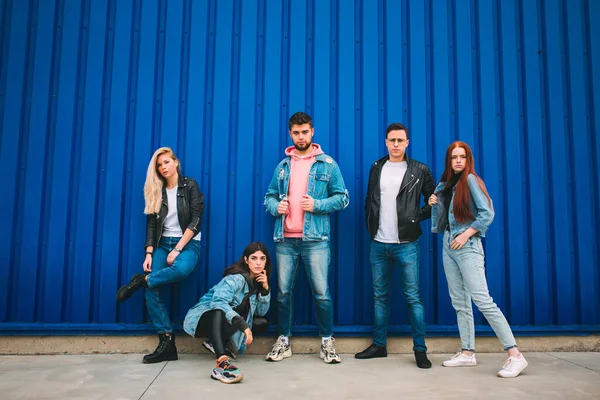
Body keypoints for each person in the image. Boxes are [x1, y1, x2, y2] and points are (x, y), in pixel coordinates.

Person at [428, 141, 528, 378]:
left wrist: (466, 234)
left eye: (462, 156)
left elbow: (487, 213)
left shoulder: (471, 180)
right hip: (448, 245)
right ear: (449, 161)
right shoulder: (446, 185)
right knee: (460, 301)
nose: (458, 161)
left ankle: (515, 355)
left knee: (483, 300)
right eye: (454, 157)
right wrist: (435, 201)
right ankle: (467, 352)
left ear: (468, 159)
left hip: (467, 246)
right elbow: (444, 217)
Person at [264, 112, 349, 364]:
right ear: (290, 134)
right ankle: (283, 340)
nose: (301, 136)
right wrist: (275, 206)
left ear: (313, 132)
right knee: (283, 293)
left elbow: (343, 197)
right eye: (296, 132)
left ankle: (326, 341)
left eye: (305, 132)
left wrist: (318, 204)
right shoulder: (283, 167)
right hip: (285, 240)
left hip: (316, 239)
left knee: (321, 293)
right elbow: (268, 196)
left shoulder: (328, 164)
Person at [355, 123, 434, 369]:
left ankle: (420, 350)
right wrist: (371, 224)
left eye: (401, 140)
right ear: (386, 142)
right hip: (379, 243)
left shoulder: (420, 169)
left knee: (413, 298)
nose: (396, 144)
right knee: (380, 297)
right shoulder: (377, 167)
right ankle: (379, 345)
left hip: (407, 244)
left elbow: (434, 200)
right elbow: (370, 199)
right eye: (392, 140)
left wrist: (416, 217)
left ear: (407, 142)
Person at [116, 147, 204, 364]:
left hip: (188, 243)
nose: (163, 167)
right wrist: (149, 253)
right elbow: (152, 225)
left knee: (180, 269)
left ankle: (141, 281)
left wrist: (178, 249)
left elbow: (196, 219)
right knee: (151, 291)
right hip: (162, 244)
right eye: (159, 165)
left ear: (176, 162)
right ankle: (167, 343)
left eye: (166, 162)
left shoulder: (190, 185)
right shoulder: (157, 190)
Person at [183, 242, 272, 384]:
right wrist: (242, 325)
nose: (258, 263)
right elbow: (218, 302)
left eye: (262, 259)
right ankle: (221, 364)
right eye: (254, 258)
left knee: (262, 323)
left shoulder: (257, 283)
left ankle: (215, 342)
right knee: (220, 310)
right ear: (246, 260)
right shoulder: (236, 279)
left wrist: (265, 289)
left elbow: (261, 312)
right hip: (202, 319)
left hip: (225, 321)